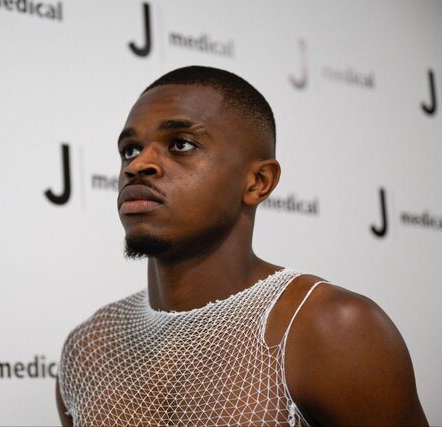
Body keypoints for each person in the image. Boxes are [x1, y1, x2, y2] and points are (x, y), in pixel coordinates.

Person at [55, 66, 428, 426]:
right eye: (130, 149)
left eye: (181, 144)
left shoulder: (329, 328)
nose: (138, 165)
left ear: (258, 182)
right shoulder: (87, 350)